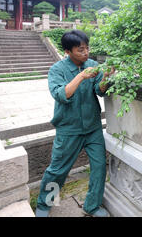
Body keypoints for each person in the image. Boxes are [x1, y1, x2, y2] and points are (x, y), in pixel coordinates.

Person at [35, 29, 114, 217]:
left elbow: (100, 91)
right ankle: (45, 204)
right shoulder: (57, 70)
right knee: (58, 170)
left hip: (93, 127)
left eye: (87, 48)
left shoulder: (93, 65)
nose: (86, 53)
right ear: (68, 51)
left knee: (99, 167)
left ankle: (92, 206)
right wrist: (80, 76)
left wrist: (107, 77)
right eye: (80, 49)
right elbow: (61, 94)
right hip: (69, 129)